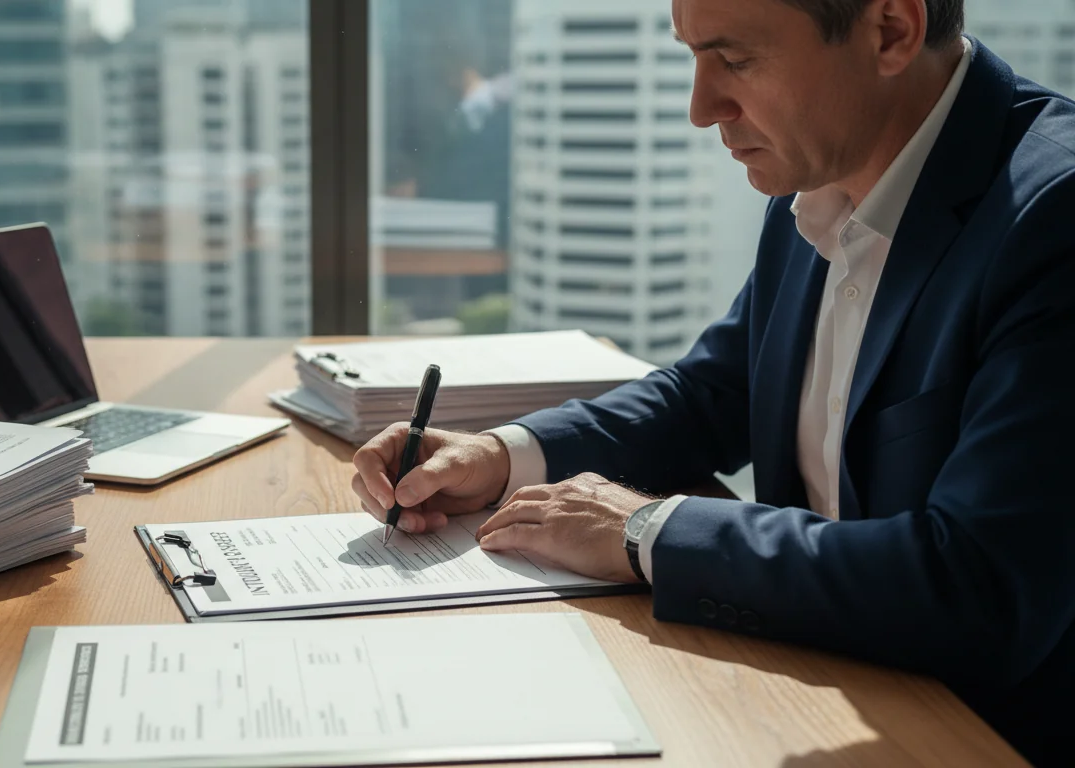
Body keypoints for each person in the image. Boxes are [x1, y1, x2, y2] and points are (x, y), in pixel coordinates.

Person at [350, 0, 1075, 763]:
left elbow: (981, 587)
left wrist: (645, 532)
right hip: (815, 692)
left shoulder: (1052, 219)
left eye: (735, 61)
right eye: (691, 56)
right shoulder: (820, 172)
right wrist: (501, 455)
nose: (703, 110)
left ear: (890, 29)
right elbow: (712, 393)